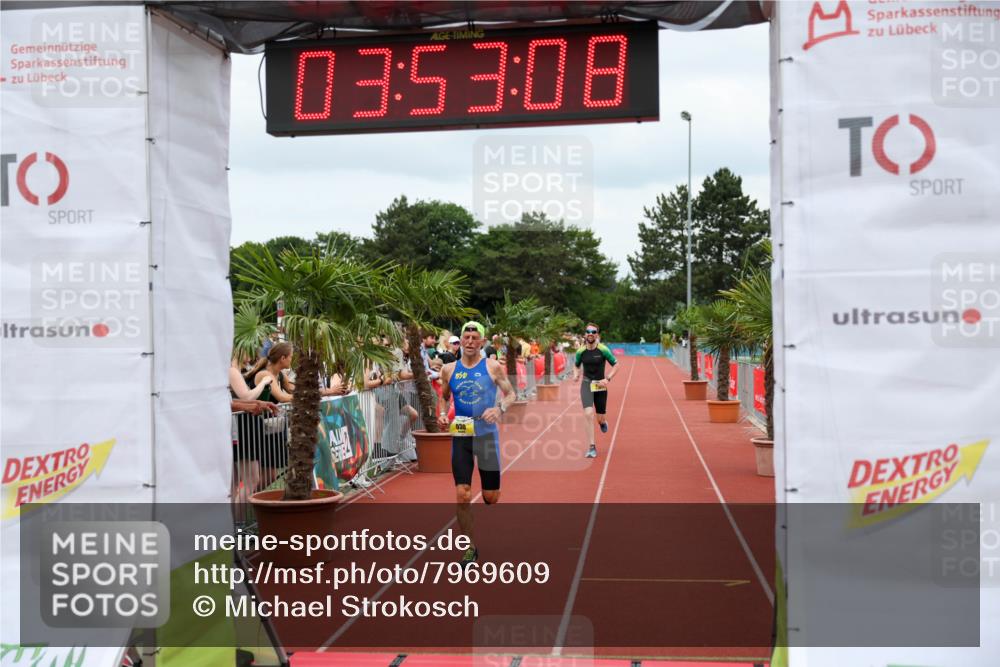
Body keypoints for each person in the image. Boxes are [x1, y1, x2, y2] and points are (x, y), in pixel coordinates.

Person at [438, 321, 516, 566]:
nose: (470, 341)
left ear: (482, 342)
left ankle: (490, 493)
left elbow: (511, 394)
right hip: (461, 435)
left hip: (486, 435)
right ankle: (470, 548)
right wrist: (441, 414)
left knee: (491, 497)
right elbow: (443, 397)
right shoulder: (449, 370)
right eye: (466, 337)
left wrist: (499, 408)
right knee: (462, 494)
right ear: (460, 340)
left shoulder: (492, 367)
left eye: (475, 337)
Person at [244, 342, 294, 487]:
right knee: (256, 476)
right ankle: (247, 501)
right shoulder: (264, 374)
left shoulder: (280, 375)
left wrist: (328, 391)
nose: (292, 359)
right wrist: (308, 396)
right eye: (291, 357)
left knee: (269, 475)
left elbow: (293, 390)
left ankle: (250, 501)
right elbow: (282, 398)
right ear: (283, 358)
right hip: (256, 427)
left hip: (271, 428)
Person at [572, 323, 619, 459]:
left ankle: (602, 422)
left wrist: (608, 378)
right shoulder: (580, 351)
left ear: (597, 334)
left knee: (599, 418)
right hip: (586, 384)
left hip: (600, 385)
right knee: (588, 413)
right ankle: (592, 447)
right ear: (585, 334)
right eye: (588, 331)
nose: (590, 333)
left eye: (593, 331)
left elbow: (617, 365)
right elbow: (576, 366)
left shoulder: (603, 350)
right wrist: (576, 375)